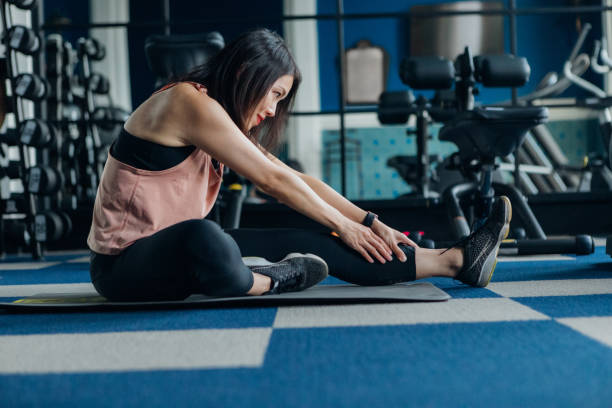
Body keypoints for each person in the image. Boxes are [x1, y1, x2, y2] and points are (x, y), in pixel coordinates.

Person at [87, 29, 511, 302]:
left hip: (176, 257)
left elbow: (294, 177)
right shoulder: (185, 102)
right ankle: (274, 279)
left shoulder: (214, 114)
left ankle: (455, 261)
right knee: (207, 236)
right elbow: (272, 181)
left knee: (309, 236)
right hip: (123, 267)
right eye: (273, 94)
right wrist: (348, 226)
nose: (272, 110)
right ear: (244, 76)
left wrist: (367, 220)